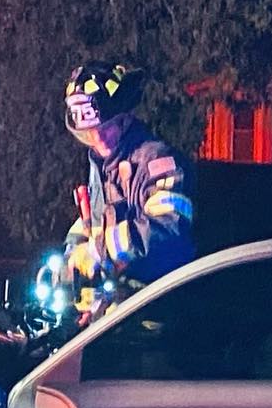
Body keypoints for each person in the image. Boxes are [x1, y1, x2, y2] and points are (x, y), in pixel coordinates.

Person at [61, 62, 195, 293]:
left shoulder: (155, 161)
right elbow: (92, 222)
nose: (99, 139)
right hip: (122, 307)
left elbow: (167, 228)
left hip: (157, 309)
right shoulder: (102, 166)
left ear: (125, 118)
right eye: (90, 132)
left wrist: (97, 252)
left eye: (107, 127)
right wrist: (72, 255)